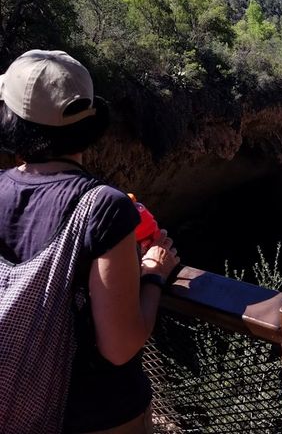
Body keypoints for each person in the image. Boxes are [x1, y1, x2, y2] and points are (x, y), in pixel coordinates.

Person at [0, 49, 180, 433]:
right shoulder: (105, 208)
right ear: (89, 122)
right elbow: (120, 346)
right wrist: (153, 275)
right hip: (95, 414)